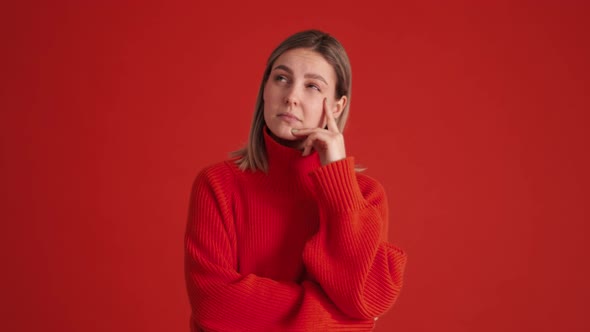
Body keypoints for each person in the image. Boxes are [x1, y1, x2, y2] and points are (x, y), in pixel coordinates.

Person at [184, 29, 407, 331]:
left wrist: (337, 179)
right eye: (281, 79)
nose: (291, 97)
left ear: (337, 107)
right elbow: (214, 303)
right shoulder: (218, 185)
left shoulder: (365, 197)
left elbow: (363, 297)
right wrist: (344, 323)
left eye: (313, 86)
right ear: (264, 89)